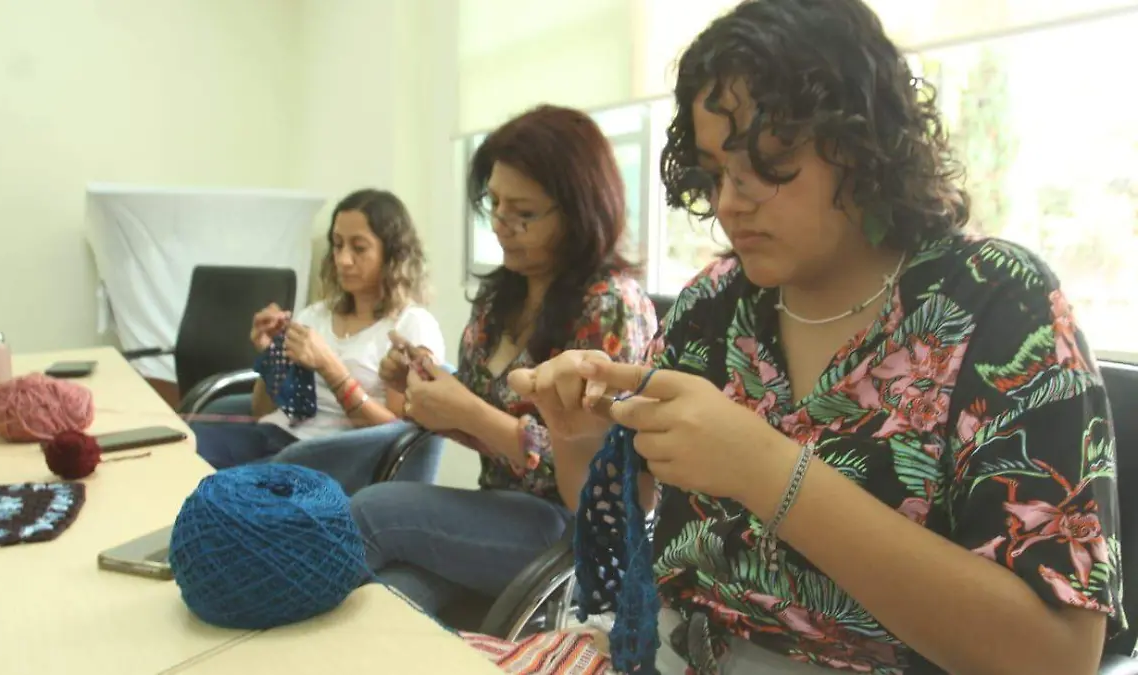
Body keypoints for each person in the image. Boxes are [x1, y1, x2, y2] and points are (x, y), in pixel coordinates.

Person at [484, 1, 1126, 674]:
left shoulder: (999, 304)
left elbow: (1057, 655)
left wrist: (768, 470)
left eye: (768, 163)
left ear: (864, 143)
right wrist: (579, 438)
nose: (730, 202)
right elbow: (633, 511)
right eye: (715, 172)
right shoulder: (714, 303)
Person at [349, 105, 659, 615]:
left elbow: (604, 474)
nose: (501, 226)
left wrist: (468, 411)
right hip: (499, 512)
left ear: (580, 210)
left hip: (571, 535)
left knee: (370, 513)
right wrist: (425, 387)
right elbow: (478, 418)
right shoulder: (501, 298)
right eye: (494, 205)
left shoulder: (611, 307)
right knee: (388, 599)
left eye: (524, 213)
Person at [190, 189, 446, 493]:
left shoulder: (410, 326)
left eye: (359, 248)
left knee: (216, 490)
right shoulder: (316, 315)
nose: (344, 260)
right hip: (275, 436)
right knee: (181, 448)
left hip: (332, 460)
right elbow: (261, 410)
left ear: (392, 254)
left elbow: (397, 432)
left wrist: (330, 368)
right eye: (337, 245)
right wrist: (272, 356)